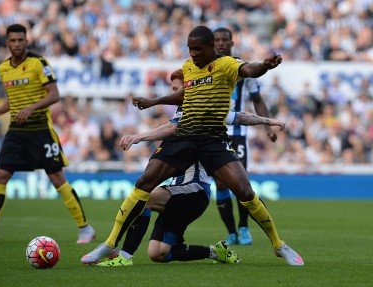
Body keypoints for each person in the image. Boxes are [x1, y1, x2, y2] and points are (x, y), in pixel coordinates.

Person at [81, 25, 304, 266]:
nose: (192, 54)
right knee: (144, 183)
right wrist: (154, 101)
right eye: (189, 49)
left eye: (197, 49)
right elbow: (182, 96)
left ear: (210, 47)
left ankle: (279, 245)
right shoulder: (188, 67)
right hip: (184, 136)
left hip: (212, 140)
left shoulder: (227, 64)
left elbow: (250, 69)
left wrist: (265, 65)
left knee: (245, 191)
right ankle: (110, 244)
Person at [0, 24, 95, 244]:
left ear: (26, 41)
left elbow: (54, 95)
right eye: (13, 40)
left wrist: (31, 108)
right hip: (16, 132)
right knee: (0, 176)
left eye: (21, 40)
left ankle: (85, 228)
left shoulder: (39, 63)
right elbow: (13, 98)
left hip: (40, 130)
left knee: (57, 179)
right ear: (7, 42)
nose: (17, 44)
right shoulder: (3, 68)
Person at [212, 27, 278, 246]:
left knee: (240, 184)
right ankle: (231, 232)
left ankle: (243, 228)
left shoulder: (242, 68)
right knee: (220, 185)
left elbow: (257, 99)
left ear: (232, 43)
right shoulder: (205, 68)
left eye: (224, 40)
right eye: (217, 40)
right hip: (213, 132)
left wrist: (267, 125)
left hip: (238, 133)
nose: (220, 43)